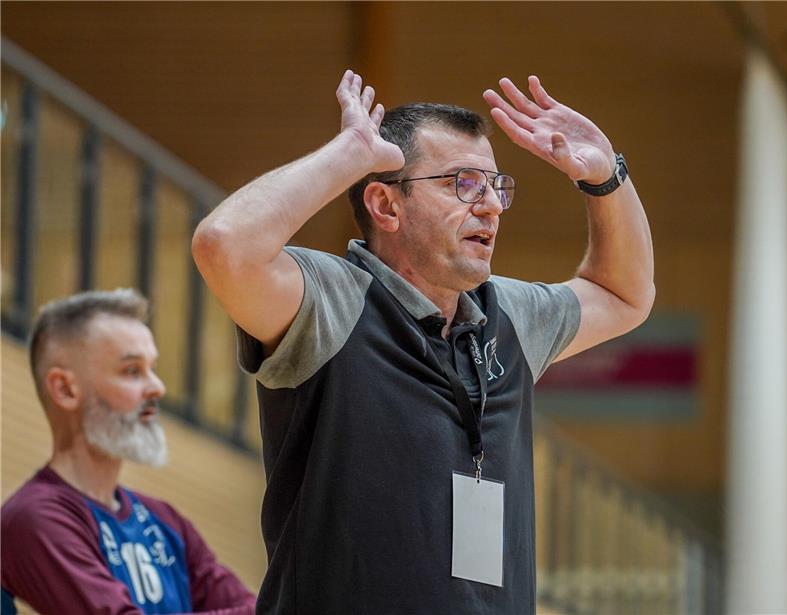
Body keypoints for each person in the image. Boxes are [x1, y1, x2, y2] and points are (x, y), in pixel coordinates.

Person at [192, 70, 654, 614]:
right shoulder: (331, 299)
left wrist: (607, 179)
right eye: (463, 183)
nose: (491, 206)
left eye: (497, 187)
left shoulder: (508, 316)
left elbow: (625, 294)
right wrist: (350, 153)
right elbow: (224, 246)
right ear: (386, 206)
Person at [1, 289, 257, 615]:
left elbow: (253, 606)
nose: (157, 387)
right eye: (132, 371)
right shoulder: (34, 519)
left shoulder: (165, 520)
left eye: (153, 368)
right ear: (65, 389)